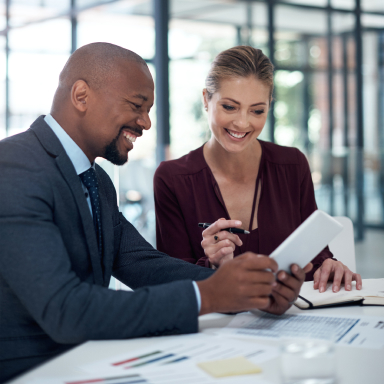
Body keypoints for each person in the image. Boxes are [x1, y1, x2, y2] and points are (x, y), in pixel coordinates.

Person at [0, 43, 309, 383]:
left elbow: (143, 264)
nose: (146, 122)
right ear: (81, 95)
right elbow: (65, 310)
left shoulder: (97, 181)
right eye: (136, 106)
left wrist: (250, 291)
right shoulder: (13, 168)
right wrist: (208, 295)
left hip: (91, 363)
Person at [154, 46, 362, 293]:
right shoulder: (173, 179)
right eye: (230, 107)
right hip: (216, 327)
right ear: (206, 100)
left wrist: (329, 265)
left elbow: (313, 252)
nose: (242, 122)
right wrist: (213, 266)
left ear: (269, 106)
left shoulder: (292, 165)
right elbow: (171, 284)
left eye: (257, 110)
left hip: (291, 322)